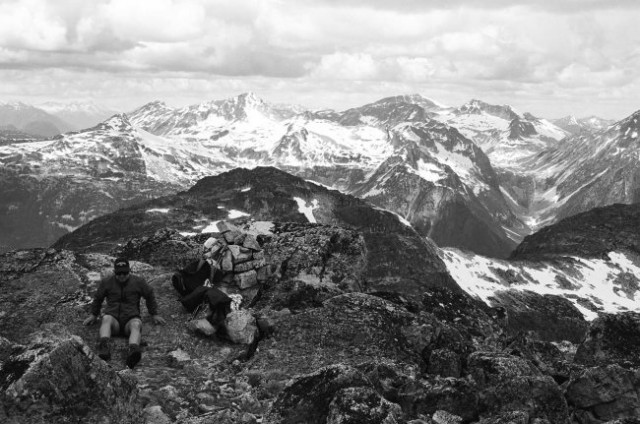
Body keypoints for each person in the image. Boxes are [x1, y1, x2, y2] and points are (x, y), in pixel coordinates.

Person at [83, 257, 166, 369]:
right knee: (106, 318)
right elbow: (98, 298)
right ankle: (104, 347)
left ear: (129, 271)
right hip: (114, 323)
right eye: (119, 273)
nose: (122, 276)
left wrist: (154, 313)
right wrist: (94, 314)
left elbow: (150, 295)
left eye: (125, 273)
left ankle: (133, 351)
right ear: (114, 272)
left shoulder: (138, 282)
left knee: (136, 324)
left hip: (130, 320)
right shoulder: (107, 282)